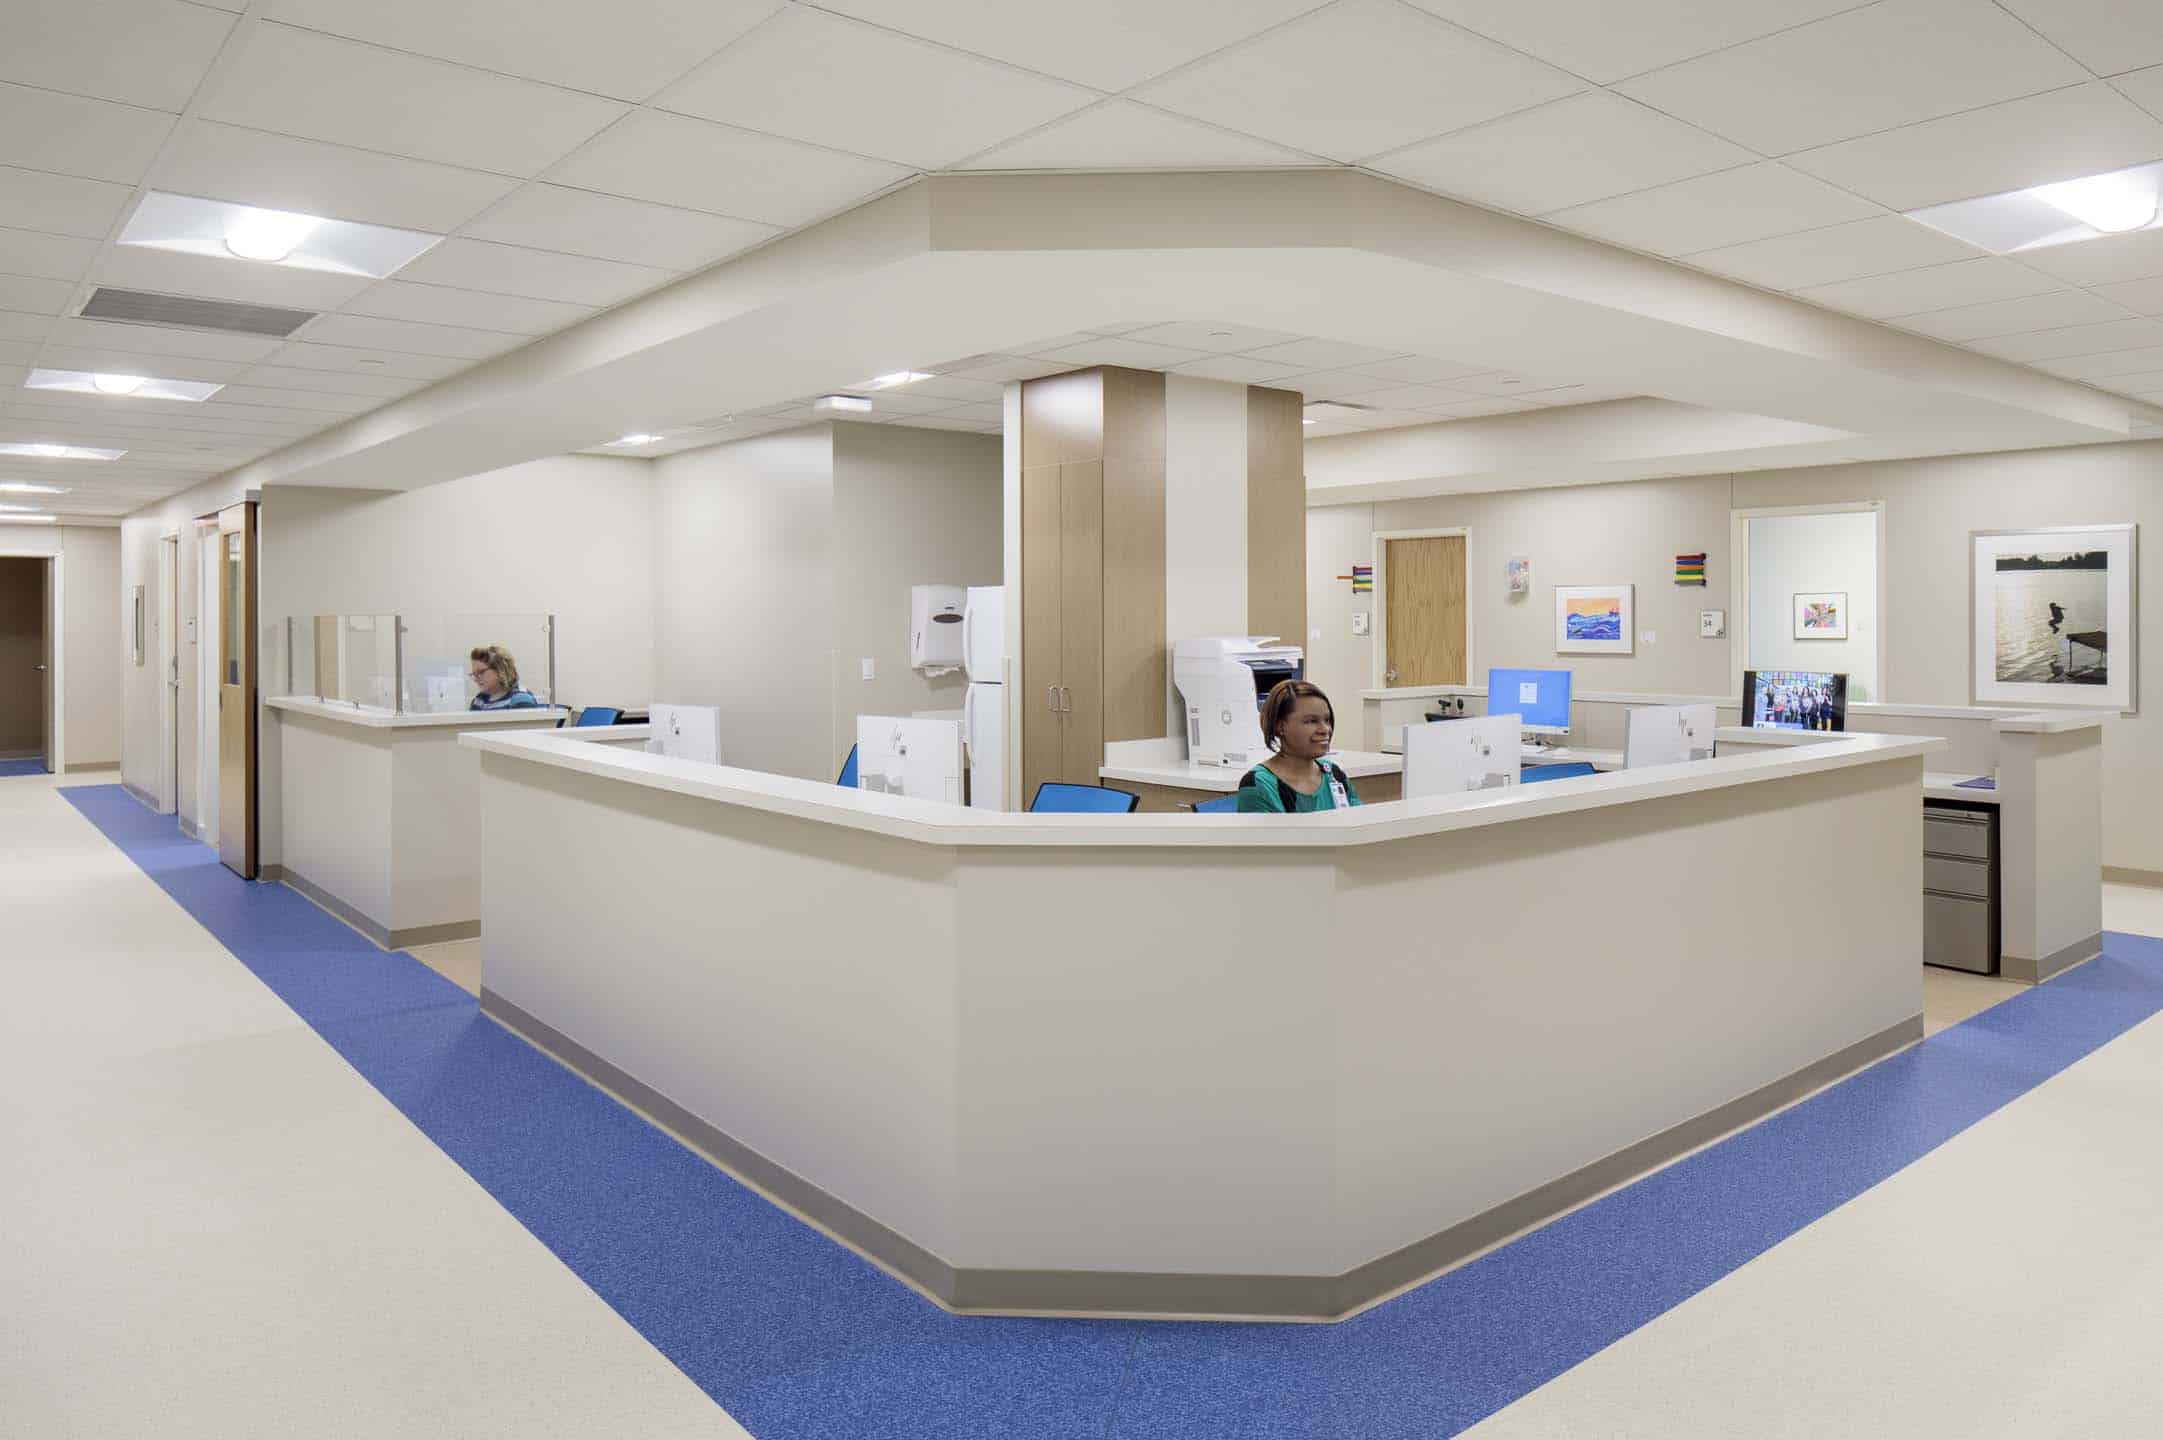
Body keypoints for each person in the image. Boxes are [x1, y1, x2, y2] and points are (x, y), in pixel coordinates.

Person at [1236, 680, 1361, 814]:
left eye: (1327, 720)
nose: (1325, 729)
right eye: (1311, 721)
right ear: (1280, 726)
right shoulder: (1259, 785)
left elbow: (1358, 826)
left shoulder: (1333, 774)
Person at [468, 644, 540, 711]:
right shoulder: (479, 700)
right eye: (474, 674)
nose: (476, 678)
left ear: (500, 670)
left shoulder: (521, 699)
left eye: (481, 672)